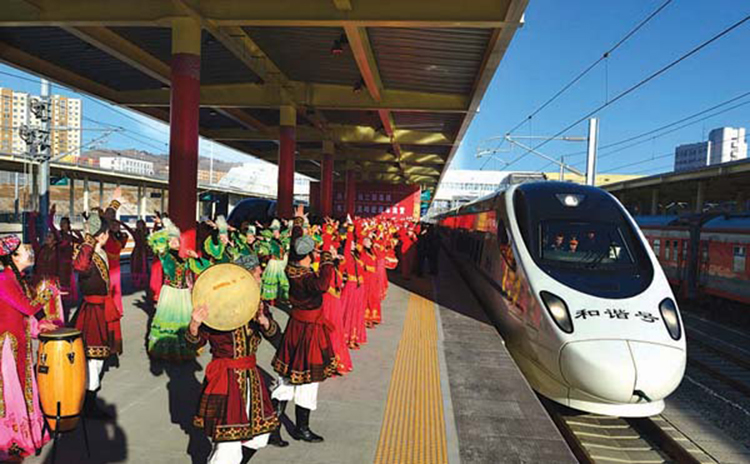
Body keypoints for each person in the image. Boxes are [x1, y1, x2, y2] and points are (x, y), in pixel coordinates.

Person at [187, 253, 280, 464]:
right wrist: (194, 325)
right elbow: (196, 343)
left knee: (259, 437)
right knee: (228, 445)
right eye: (257, 274)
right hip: (226, 378)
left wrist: (265, 322)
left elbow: (275, 335)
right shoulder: (217, 305)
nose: (260, 277)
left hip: (251, 378)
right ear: (244, 277)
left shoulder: (258, 303)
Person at [271, 223, 337, 444]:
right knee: (308, 381)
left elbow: (293, 245)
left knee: (287, 378)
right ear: (308, 256)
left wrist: (298, 225)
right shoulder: (308, 278)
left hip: (295, 328)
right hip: (309, 332)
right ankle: (302, 428)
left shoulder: (291, 267)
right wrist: (328, 258)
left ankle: (271, 428)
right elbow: (324, 284)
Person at [0, 236, 60, 461]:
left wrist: (42, 323)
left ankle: (25, 433)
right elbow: (26, 306)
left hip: (19, 342)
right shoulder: (4, 280)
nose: (29, 252)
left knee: (22, 387)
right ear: (13, 258)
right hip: (7, 347)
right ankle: (10, 437)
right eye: (25, 250)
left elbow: (29, 311)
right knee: (10, 391)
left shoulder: (18, 279)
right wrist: (48, 293)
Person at [73, 212, 121, 419]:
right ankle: (88, 404)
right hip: (93, 310)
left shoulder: (99, 251)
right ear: (101, 236)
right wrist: (90, 240)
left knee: (97, 359)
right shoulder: (86, 253)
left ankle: (89, 399)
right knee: (93, 358)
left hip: (101, 308)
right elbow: (80, 266)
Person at [147, 219, 208, 362]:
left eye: (177, 241)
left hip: (183, 293)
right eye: (172, 241)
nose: (175, 243)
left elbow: (203, 268)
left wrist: (197, 257)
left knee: (183, 321)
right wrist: (162, 237)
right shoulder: (166, 257)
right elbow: (163, 256)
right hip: (171, 292)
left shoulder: (185, 259)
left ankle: (183, 348)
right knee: (169, 320)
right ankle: (166, 350)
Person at [257, 219, 290, 304]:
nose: (274, 232)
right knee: (271, 280)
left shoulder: (284, 238)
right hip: (274, 262)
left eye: (276, 231)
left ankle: (281, 297)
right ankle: (269, 298)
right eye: (273, 231)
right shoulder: (271, 241)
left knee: (281, 281)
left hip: (282, 262)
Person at [125, 219, 150, 290]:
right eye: (137, 224)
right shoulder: (136, 232)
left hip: (143, 251)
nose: (138, 226)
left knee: (143, 266)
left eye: (139, 224)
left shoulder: (146, 231)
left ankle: (144, 282)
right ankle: (137, 283)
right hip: (137, 251)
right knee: (136, 266)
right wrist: (121, 223)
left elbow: (147, 240)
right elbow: (129, 229)